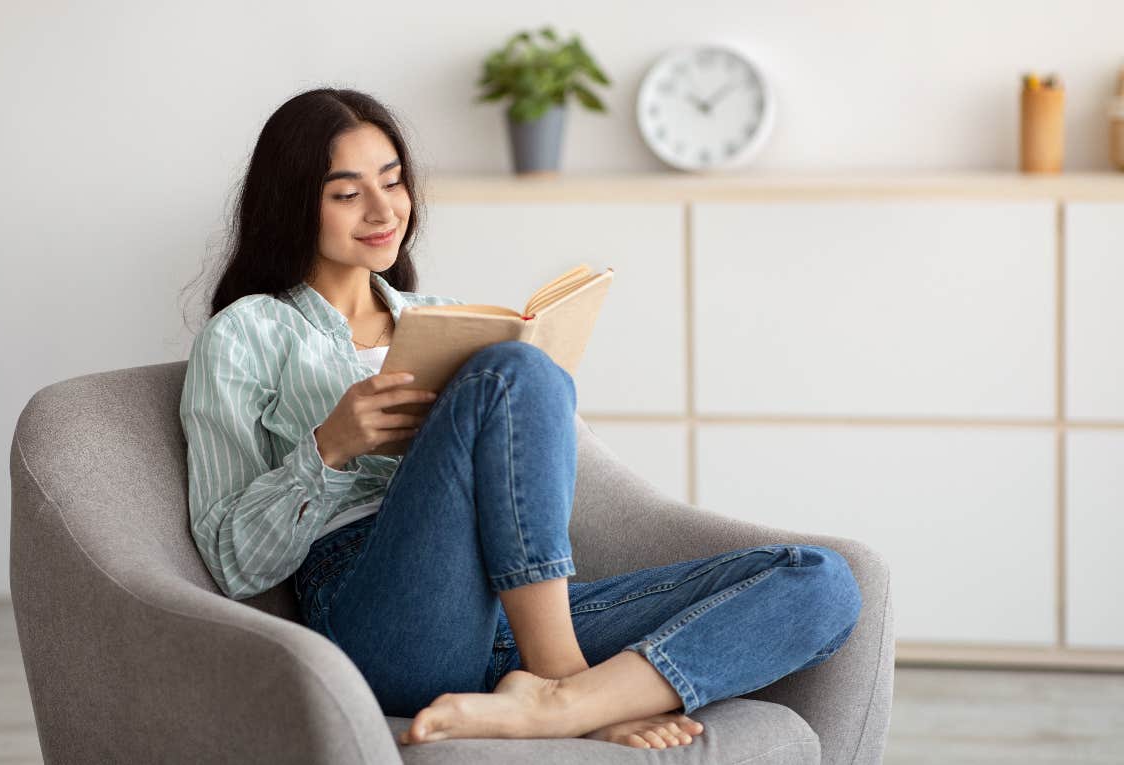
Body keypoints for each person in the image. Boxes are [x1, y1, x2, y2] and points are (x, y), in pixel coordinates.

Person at [180, 87, 863, 750]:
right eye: (348, 193)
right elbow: (230, 561)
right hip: (381, 615)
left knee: (823, 581)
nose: (383, 209)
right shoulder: (247, 333)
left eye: (393, 182)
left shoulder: (443, 316)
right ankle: (563, 680)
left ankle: (560, 702)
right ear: (296, 204)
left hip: (514, 611)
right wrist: (327, 448)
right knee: (518, 371)